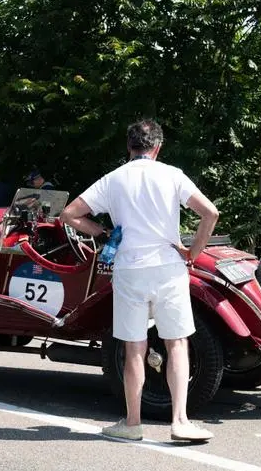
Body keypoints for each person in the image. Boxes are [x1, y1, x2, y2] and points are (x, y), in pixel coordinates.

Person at [59, 119, 219, 442]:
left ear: (128, 147)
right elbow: (210, 213)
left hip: (129, 269)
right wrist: (192, 251)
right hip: (168, 268)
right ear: (157, 148)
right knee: (176, 343)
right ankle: (180, 421)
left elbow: (69, 214)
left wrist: (102, 232)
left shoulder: (113, 180)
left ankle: (132, 423)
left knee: (135, 346)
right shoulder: (172, 175)